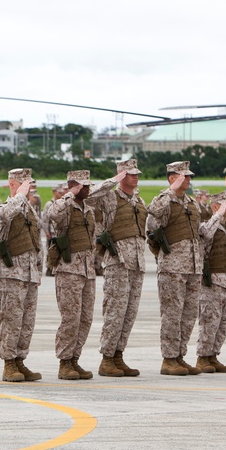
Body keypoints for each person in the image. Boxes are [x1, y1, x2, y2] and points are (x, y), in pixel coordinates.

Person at [85, 159, 144, 377]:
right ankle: (107, 359)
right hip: (118, 262)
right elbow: (88, 196)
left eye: (136, 173)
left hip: (136, 263)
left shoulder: (138, 200)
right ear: (121, 176)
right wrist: (112, 182)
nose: (135, 177)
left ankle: (118, 355)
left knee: (129, 313)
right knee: (115, 312)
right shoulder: (109, 197)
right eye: (130, 174)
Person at [147, 160, 202, 376]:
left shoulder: (191, 203)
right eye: (184, 176)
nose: (188, 180)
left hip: (193, 266)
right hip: (173, 267)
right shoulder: (164, 200)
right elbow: (152, 219)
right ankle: (169, 359)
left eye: (189, 176)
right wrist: (170, 191)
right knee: (172, 314)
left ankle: (180, 356)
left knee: (188, 315)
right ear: (172, 178)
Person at [44, 170, 99, 380]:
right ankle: (64, 362)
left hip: (87, 271)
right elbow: (53, 214)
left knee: (85, 318)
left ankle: (75, 359)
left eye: (87, 185)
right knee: (71, 318)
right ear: (74, 186)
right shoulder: (64, 206)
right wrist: (69, 193)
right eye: (82, 186)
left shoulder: (88, 210)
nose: (86, 189)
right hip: (69, 270)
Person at [0, 167, 43, 382]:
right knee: (10, 320)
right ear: (12, 184)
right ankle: (8, 363)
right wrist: (20, 195)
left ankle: (20, 360)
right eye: (23, 183)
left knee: (26, 321)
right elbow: (4, 216)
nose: (28, 187)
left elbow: (36, 241)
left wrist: (39, 269)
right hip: (11, 274)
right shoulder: (5, 207)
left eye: (29, 183)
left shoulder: (29, 210)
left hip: (29, 274)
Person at [195, 191, 226, 373]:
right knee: (209, 321)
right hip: (212, 281)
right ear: (215, 207)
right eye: (225, 205)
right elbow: (204, 235)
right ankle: (203, 357)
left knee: (223, 322)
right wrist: (217, 215)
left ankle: (213, 355)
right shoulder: (208, 227)